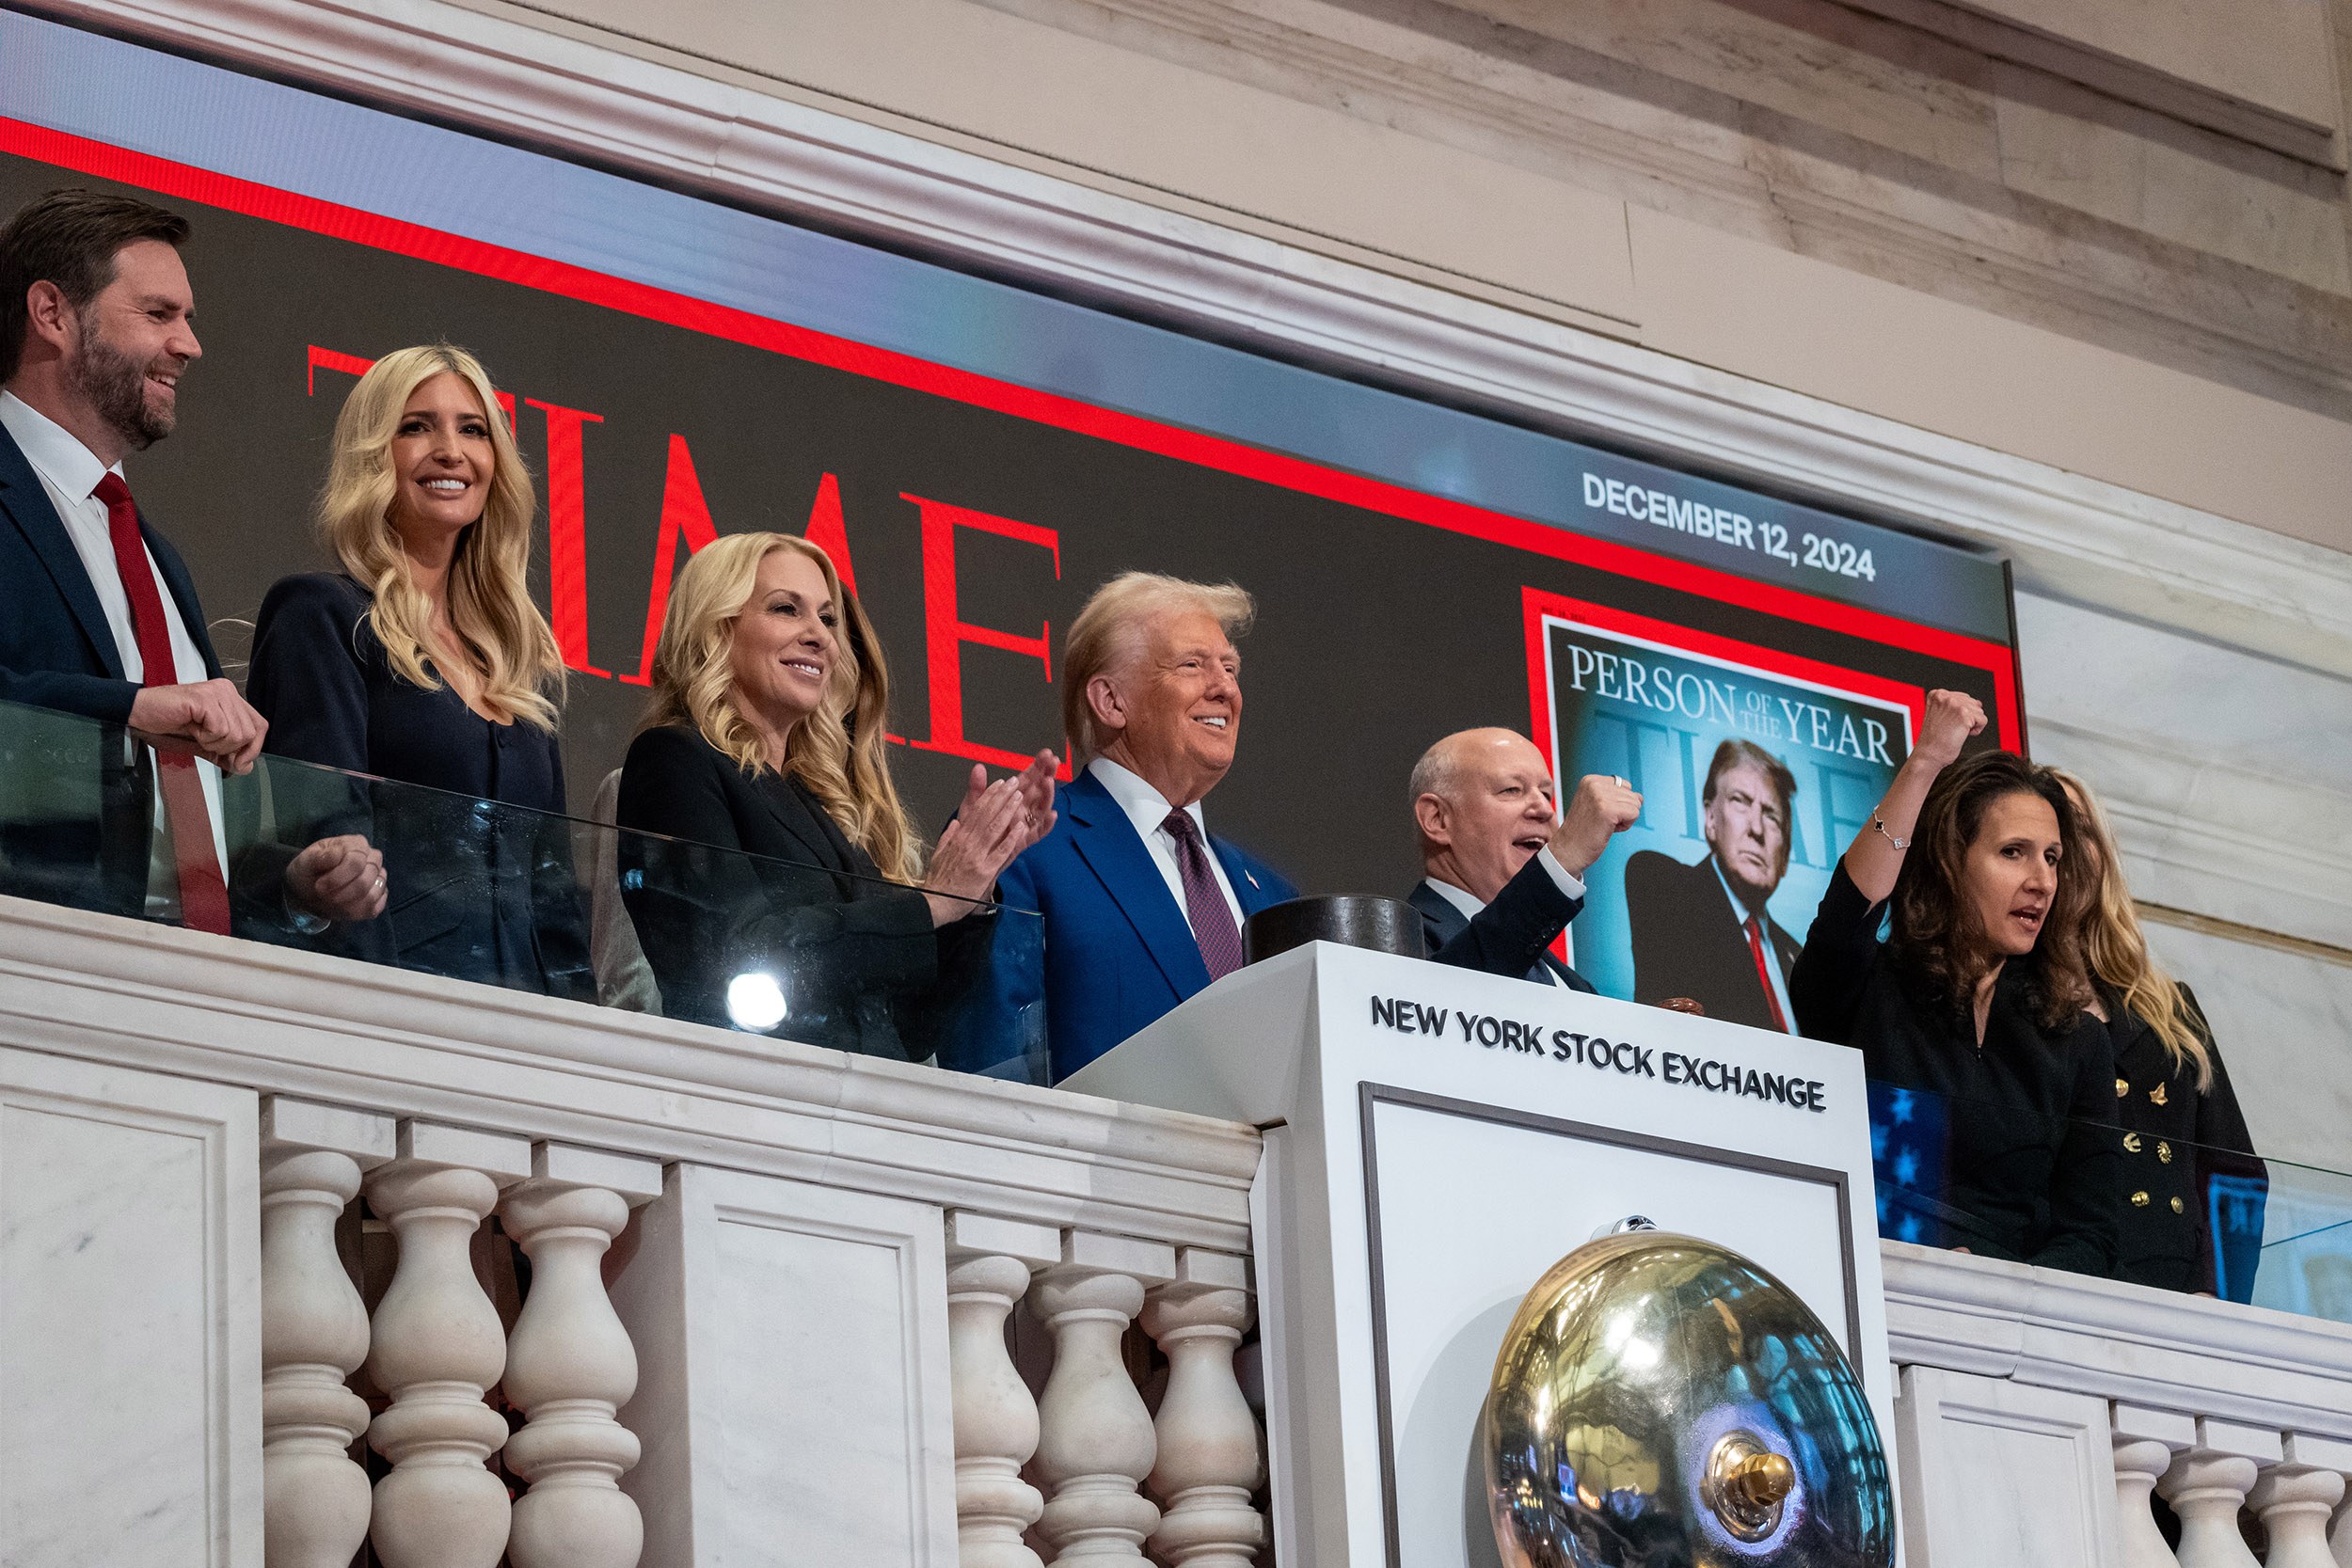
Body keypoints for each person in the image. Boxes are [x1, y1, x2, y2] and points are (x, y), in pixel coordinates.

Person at [0, 188, 380, 931]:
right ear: (51, 314)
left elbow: (172, 831)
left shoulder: (153, 555)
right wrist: (130, 708)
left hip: (188, 986)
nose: (189, 344)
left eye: (188, 318)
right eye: (157, 313)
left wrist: (286, 882)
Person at [616, 531, 1054, 1055]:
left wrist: (971, 892)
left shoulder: (819, 800)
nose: (820, 636)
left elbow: (910, 1031)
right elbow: (732, 959)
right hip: (754, 1098)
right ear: (716, 628)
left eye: (827, 618)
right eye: (786, 610)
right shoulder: (674, 758)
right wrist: (929, 905)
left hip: (862, 1112)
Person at [248, 344, 592, 998]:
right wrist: (387, 1028)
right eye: (416, 426)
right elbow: (332, 848)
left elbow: (555, 902)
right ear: (375, 453)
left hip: (530, 1040)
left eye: (473, 429)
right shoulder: (323, 616)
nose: (450, 450)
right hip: (394, 1017)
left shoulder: (522, 663)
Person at [1788, 689, 2120, 1276]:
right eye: (2014, 853)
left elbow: (2092, 1230)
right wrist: (1924, 766)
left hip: (2014, 1328)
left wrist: (2003, 1286)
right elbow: (1846, 920)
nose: (2042, 880)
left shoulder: (2078, 1041)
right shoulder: (1871, 986)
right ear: (1950, 861)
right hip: (1863, 1287)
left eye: (2052, 857)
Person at [982, 572, 1297, 1082]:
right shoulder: (1026, 843)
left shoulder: (1274, 899)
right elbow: (991, 1065)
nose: (1225, 689)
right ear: (1111, 701)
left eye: (1230, 668)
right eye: (1193, 665)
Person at [2057, 770, 2265, 1300]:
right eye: (2053, 831)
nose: (2070, 850)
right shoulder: (2002, 1003)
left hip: (2180, 1301)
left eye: (2081, 828)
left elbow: (2235, 1177)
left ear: (2104, 852)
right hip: (2064, 1291)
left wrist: (2216, 1299)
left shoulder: (2171, 1006)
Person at [1405, 728, 1641, 990]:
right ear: (1437, 819)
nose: (1544, 810)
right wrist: (1560, 861)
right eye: (1511, 790)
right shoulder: (1393, 943)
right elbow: (1452, 999)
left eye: (1547, 794)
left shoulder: (1577, 988)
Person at [1623, 739, 1803, 1029]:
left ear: (1786, 847)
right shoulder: (1667, 889)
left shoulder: (1797, 958)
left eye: (1771, 816)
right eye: (1740, 801)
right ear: (1710, 818)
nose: (1757, 829)